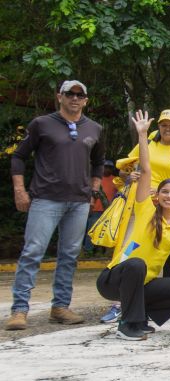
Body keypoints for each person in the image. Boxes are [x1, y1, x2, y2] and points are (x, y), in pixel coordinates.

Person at [8, 80, 104, 331]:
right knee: (32, 252)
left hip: (79, 201)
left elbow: (98, 162)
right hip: (46, 198)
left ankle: (60, 307)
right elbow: (19, 156)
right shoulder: (42, 124)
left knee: (70, 255)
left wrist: (94, 189)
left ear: (86, 100)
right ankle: (19, 310)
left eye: (79, 94)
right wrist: (20, 190)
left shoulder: (94, 128)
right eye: (69, 94)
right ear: (59, 97)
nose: (74, 98)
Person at [96, 110, 170, 340]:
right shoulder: (145, 208)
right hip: (113, 281)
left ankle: (140, 316)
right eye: (165, 192)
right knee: (136, 264)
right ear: (157, 195)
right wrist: (142, 134)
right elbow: (146, 170)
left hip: (143, 285)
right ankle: (127, 323)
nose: (169, 197)